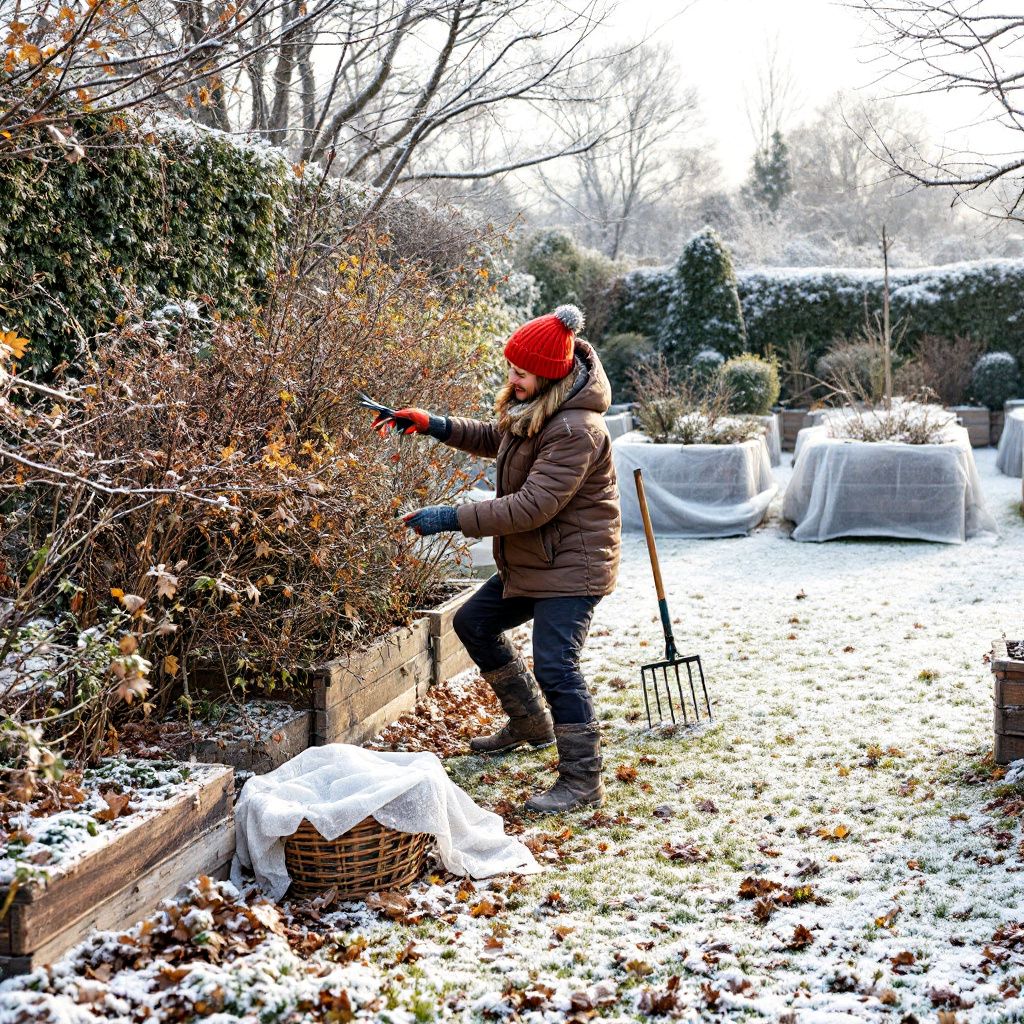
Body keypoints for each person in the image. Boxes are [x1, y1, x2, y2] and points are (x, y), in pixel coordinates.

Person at [370, 305, 621, 813]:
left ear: (550, 375)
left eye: (522, 372)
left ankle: (582, 779)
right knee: (473, 623)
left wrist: (450, 517)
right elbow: (497, 439)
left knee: (556, 664)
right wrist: (433, 424)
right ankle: (530, 723)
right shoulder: (540, 408)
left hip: (573, 567)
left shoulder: (576, 428)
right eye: (512, 368)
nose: (513, 378)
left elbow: (534, 505)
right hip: (537, 561)